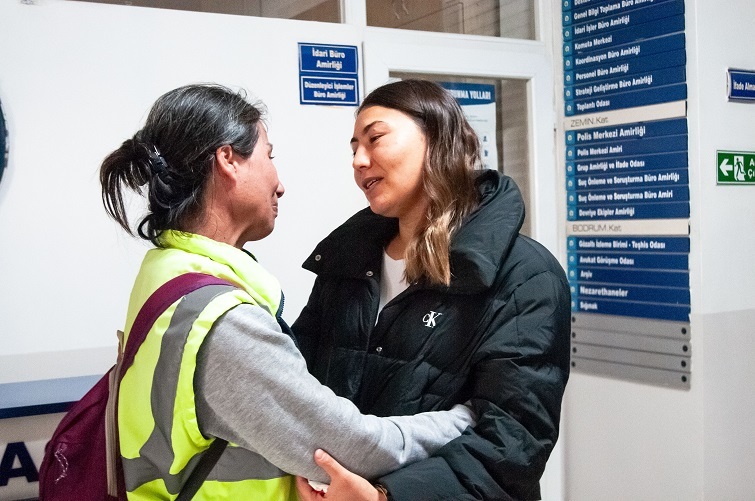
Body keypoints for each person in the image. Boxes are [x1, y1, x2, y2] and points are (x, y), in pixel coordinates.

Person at [99, 83, 476, 500]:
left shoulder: (167, 274)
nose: (280, 185)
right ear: (228, 160)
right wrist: (466, 418)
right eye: (269, 156)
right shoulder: (222, 322)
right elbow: (352, 447)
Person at [293, 79, 571, 500]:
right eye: (353, 149)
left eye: (375, 139)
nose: (359, 161)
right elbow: (303, 384)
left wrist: (386, 495)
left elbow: (514, 440)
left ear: (437, 140)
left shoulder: (525, 274)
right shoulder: (344, 262)